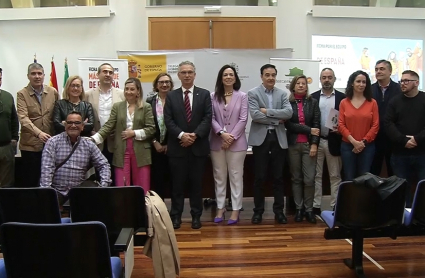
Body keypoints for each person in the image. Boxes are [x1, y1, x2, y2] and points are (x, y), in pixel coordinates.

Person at [164, 61, 212, 230]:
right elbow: (168, 120)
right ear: (178, 75)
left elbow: (207, 118)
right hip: (177, 148)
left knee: (196, 185)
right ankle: (176, 216)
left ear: (194, 74)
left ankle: (196, 216)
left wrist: (195, 135)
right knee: (177, 185)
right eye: (183, 72)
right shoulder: (171, 96)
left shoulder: (204, 94)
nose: (187, 75)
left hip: (198, 147)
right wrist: (182, 135)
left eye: (190, 72)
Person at [92, 78, 155, 193]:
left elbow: (151, 129)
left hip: (141, 150)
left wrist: (134, 133)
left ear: (138, 91)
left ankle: (142, 210)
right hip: (121, 149)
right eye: (126, 89)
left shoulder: (146, 107)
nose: (128, 92)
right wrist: (94, 139)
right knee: (122, 184)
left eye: (132, 89)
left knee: (142, 186)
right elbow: (109, 125)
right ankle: (123, 210)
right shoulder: (118, 106)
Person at [248, 64, 293, 225]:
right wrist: (276, 118)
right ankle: (258, 211)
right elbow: (255, 115)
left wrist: (267, 111)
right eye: (267, 75)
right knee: (259, 177)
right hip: (261, 139)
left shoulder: (282, 94)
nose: (271, 78)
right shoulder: (253, 93)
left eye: (273, 75)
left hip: (278, 138)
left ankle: (279, 212)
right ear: (261, 76)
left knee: (278, 177)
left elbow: (288, 113)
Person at [40, 111, 111, 205]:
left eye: (77, 123)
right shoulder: (53, 142)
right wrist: (47, 196)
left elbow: (104, 165)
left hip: (78, 193)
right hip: (56, 191)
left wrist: (103, 187)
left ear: (82, 126)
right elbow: (46, 170)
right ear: (65, 125)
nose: (73, 125)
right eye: (69, 122)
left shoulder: (89, 144)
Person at [210, 65, 248, 225]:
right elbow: (210, 117)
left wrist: (230, 137)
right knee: (219, 177)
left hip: (237, 143)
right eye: (225, 74)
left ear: (235, 78)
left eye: (231, 74)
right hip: (217, 142)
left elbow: (244, 118)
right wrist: (221, 134)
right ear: (221, 78)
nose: (228, 77)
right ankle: (220, 207)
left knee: (236, 176)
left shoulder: (243, 96)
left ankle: (235, 210)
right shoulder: (213, 96)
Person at [385, 70, 425, 207]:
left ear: (417, 83)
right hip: (400, 154)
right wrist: (404, 140)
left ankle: (420, 221)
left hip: (422, 153)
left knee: (422, 188)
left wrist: (417, 139)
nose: (403, 84)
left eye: (406, 81)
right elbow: (388, 124)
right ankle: (404, 222)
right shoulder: (395, 101)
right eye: (401, 81)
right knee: (402, 189)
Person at [17, 63, 59, 188]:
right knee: (31, 180)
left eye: (39, 73)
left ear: (44, 75)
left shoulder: (53, 92)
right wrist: (38, 133)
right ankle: (31, 207)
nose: (37, 76)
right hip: (30, 146)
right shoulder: (22, 94)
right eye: (33, 74)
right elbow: (23, 119)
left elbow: (58, 113)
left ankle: (48, 206)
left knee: (50, 180)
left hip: (51, 144)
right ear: (28, 76)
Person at [285, 75, 320, 224]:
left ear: (307, 86)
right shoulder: (288, 103)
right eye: (298, 83)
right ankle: (298, 209)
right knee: (296, 178)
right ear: (293, 86)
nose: (301, 86)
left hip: (308, 146)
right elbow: (289, 125)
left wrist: (314, 144)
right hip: (293, 145)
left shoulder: (313, 102)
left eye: (303, 84)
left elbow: (317, 124)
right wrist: (309, 129)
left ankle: (309, 209)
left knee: (309, 179)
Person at [311, 68, 345, 213]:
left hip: (335, 141)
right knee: (316, 175)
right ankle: (316, 206)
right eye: (324, 77)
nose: (327, 80)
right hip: (316, 141)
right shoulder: (312, 97)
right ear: (320, 79)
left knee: (335, 175)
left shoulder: (342, 98)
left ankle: (335, 205)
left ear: (334, 79)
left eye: (329, 77)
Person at [85, 63, 125, 186]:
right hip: (96, 141)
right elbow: (85, 116)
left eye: (110, 72)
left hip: (116, 140)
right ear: (98, 75)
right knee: (98, 175)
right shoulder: (88, 94)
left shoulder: (122, 94)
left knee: (116, 174)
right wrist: (91, 131)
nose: (108, 74)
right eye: (104, 72)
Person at [338, 70, 379, 181]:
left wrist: (363, 142)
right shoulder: (344, 102)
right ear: (352, 83)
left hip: (367, 147)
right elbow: (341, 124)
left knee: (364, 178)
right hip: (347, 146)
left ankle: (363, 199)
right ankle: (350, 199)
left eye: (364, 82)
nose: (361, 84)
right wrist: (354, 142)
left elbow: (375, 125)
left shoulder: (372, 103)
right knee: (349, 177)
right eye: (358, 81)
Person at [370, 60, 401, 177]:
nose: (378, 71)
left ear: (390, 71)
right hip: (374, 137)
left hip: (393, 137)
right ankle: (373, 196)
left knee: (394, 172)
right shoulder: (369, 90)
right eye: (376, 69)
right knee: (373, 172)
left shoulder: (399, 89)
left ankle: (394, 196)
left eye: (382, 69)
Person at [146, 73, 174, 199]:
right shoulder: (149, 102)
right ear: (156, 85)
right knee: (157, 181)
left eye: (167, 82)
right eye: (161, 82)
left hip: (173, 148)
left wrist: (170, 143)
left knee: (174, 181)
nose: (164, 84)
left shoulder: (176, 100)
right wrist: (154, 141)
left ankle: (174, 213)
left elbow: (180, 123)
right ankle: (159, 210)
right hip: (154, 148)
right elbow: (146, 124)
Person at [0, 68, 19, 187]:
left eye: (0, 78)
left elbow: (14, 119)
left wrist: (14, 138)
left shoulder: (7, 97)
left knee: (7, 184)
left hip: (6, 147)